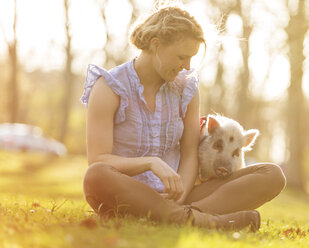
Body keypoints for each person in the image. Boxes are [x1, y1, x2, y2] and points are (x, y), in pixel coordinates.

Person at [81, 6, 286, 231]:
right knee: (95, 175)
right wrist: (150, 162)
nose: (187, 66)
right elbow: (99, 159)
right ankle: (204, 220)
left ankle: (186, 217)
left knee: (272, 175)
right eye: (182, 56)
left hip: (183, 198)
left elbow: (189, 154)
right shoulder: (109, 88)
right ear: (155, 44)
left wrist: (180, 196)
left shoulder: (186, 88)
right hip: (125, 193)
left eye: (191, 58)